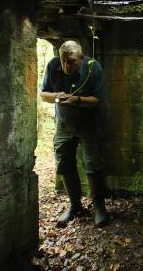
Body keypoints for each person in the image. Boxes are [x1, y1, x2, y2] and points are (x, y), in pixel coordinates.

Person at [39, 40, 110, 227]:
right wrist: (56, 97)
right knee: (64, 162)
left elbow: (98, 100)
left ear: (81, 58)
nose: (66, 66)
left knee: (93, 164)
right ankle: (75, 206)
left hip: (90, 124)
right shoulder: (53, 65)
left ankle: (99, 208)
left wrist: (76, 100)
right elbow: (43, 94)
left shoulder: (93, 68)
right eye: (63, 61)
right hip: (64, 124)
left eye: (71, 62)